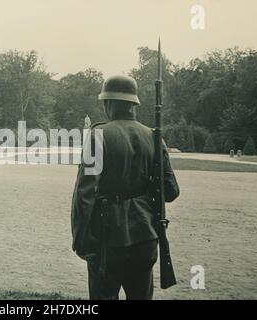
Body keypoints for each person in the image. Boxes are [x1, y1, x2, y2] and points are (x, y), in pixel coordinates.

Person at [71, 74, 180, 300]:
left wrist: (80, 239)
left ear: (108, 104)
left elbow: (84, 196)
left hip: (108, 238)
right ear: (134, 104)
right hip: (145, 236)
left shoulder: (98, 136)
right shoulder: (154, 136)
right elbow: (171, 191)